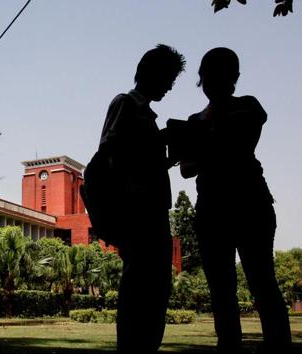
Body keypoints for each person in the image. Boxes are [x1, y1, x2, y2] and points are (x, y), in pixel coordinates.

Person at [181, 47, 292, 354]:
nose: (214, 83)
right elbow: (187, 169)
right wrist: (207, 140)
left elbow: (238, 140)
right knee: (222, 290)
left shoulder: (247, 106)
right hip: (214, 209)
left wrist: (203, 140)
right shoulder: (196, 120)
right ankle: (229, 346)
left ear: (234, 79)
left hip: (249, 205)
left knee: (262, 283)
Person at [97, 44, 185, 354]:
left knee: (157, 289)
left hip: (154, 213)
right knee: (141, 289)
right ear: (152, 73)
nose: (170, 86)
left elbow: (144, 164)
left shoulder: (146, 114)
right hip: (137, 214)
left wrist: (167, 151)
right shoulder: (126, 104)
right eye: (168, 78)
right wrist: (159, 139)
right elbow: (112, 152)